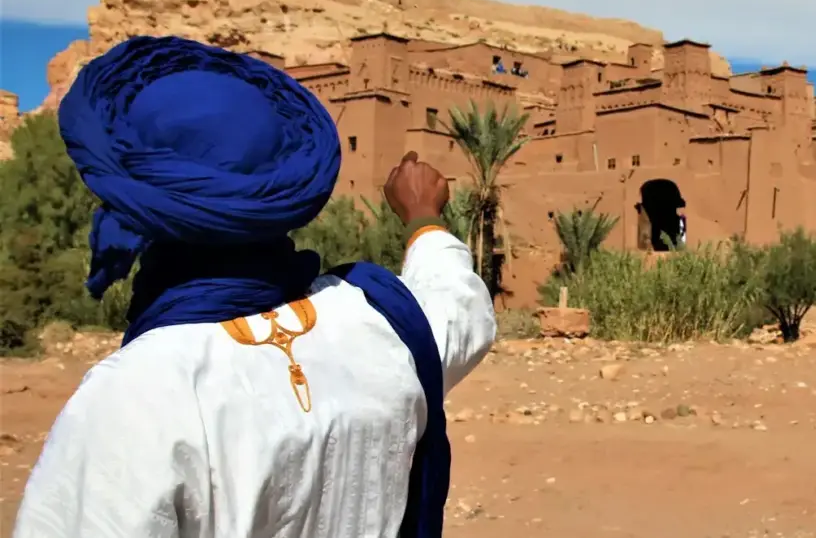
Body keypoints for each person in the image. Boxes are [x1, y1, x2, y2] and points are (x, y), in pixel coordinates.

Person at [13, 36, 496, 538]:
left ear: (134, 205)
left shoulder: (136, 395)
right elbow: (458, 308)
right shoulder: (384, 328)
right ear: (285, 185)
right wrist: (422, 216)